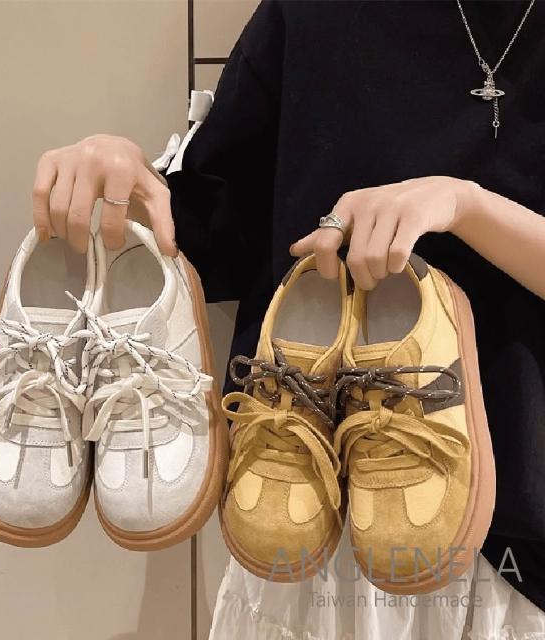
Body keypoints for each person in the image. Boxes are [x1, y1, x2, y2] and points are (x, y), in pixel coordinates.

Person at [31, 1, 545, 637]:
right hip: (308, 511)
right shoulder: (314, 14)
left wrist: (466, 207)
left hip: (525, 552)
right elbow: (218, 233)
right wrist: (122, 182)